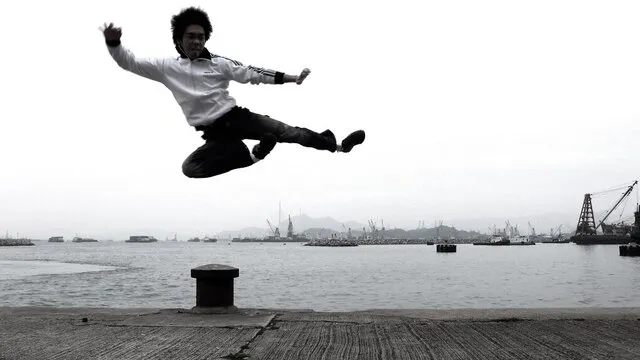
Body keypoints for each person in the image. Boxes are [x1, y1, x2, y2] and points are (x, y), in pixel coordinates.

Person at [101, 7, 365, 179]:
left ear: (206, 39)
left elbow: (252, 73)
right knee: (190, 169)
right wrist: (114, 43)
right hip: (214, 133)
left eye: (201, 37)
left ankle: (339, 146)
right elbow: (130, 63)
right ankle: (255, 155)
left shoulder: (219, 63)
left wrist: (291, 78)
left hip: (236, 117)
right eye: (190, 36)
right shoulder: (166, 68)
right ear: (179, 39)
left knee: (289, 132)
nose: (196, 41)